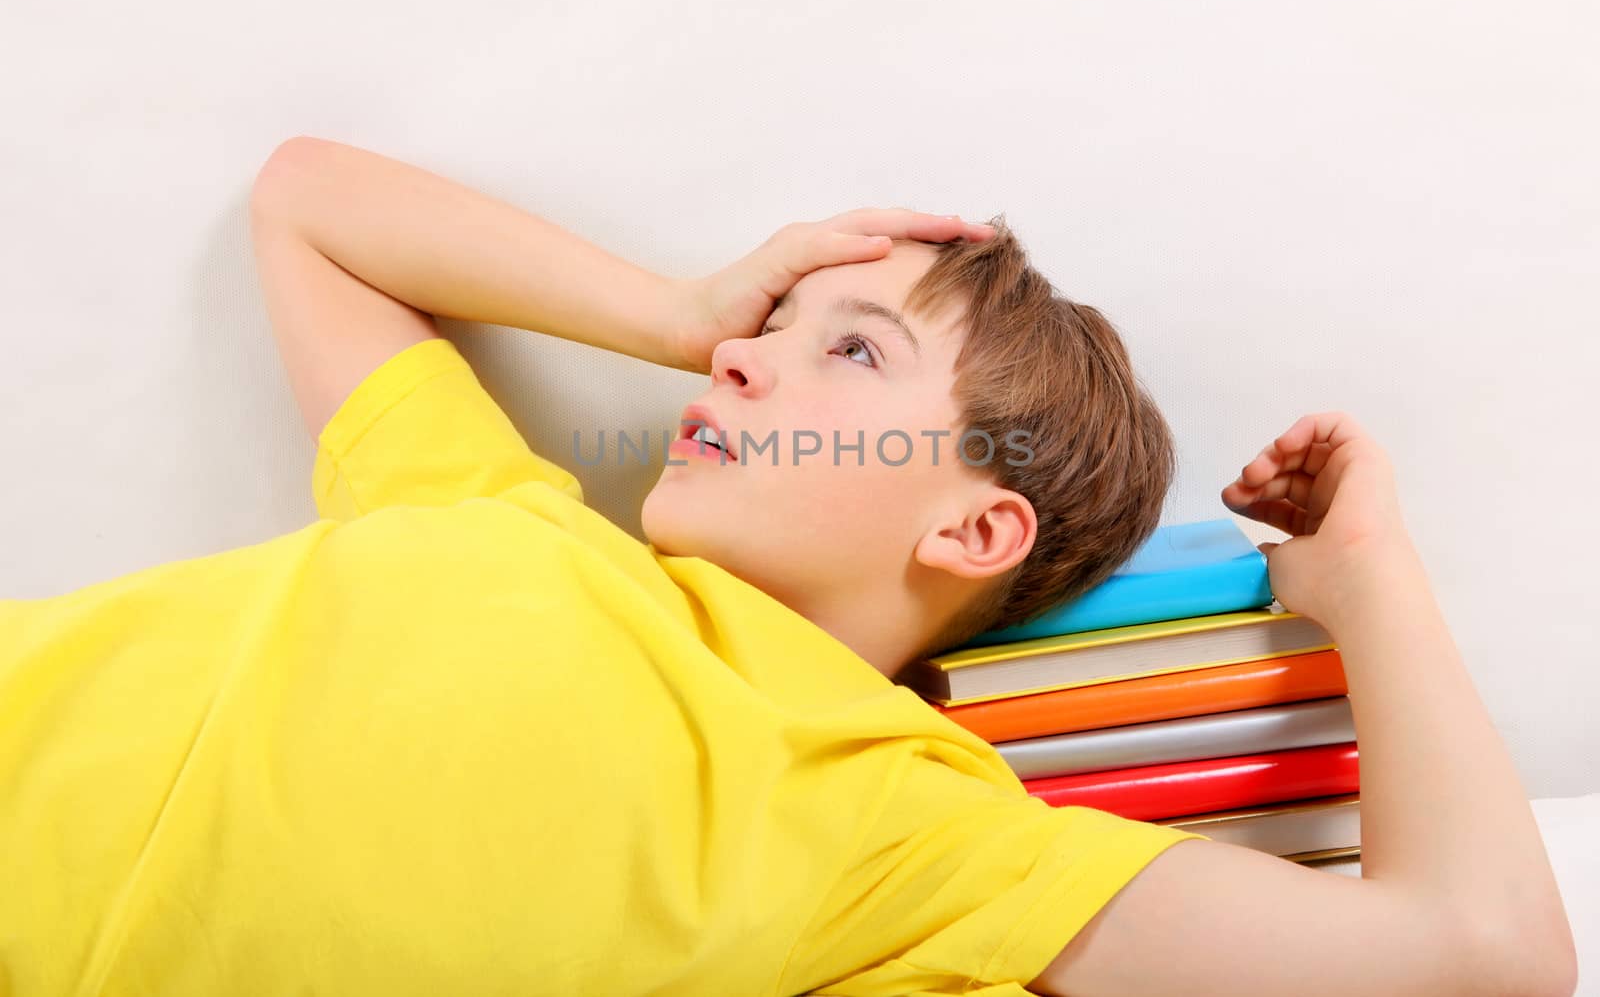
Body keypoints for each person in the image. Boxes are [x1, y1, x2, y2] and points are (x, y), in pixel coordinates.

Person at [0, 135, 1574, 997]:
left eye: (852, 352)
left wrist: (1365, 571)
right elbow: (312, 201)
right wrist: (679, 309)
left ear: (971, 529)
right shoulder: (499, 506)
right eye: (765, 338)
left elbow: (1483, 960)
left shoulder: (904, 830)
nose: (743, 367)